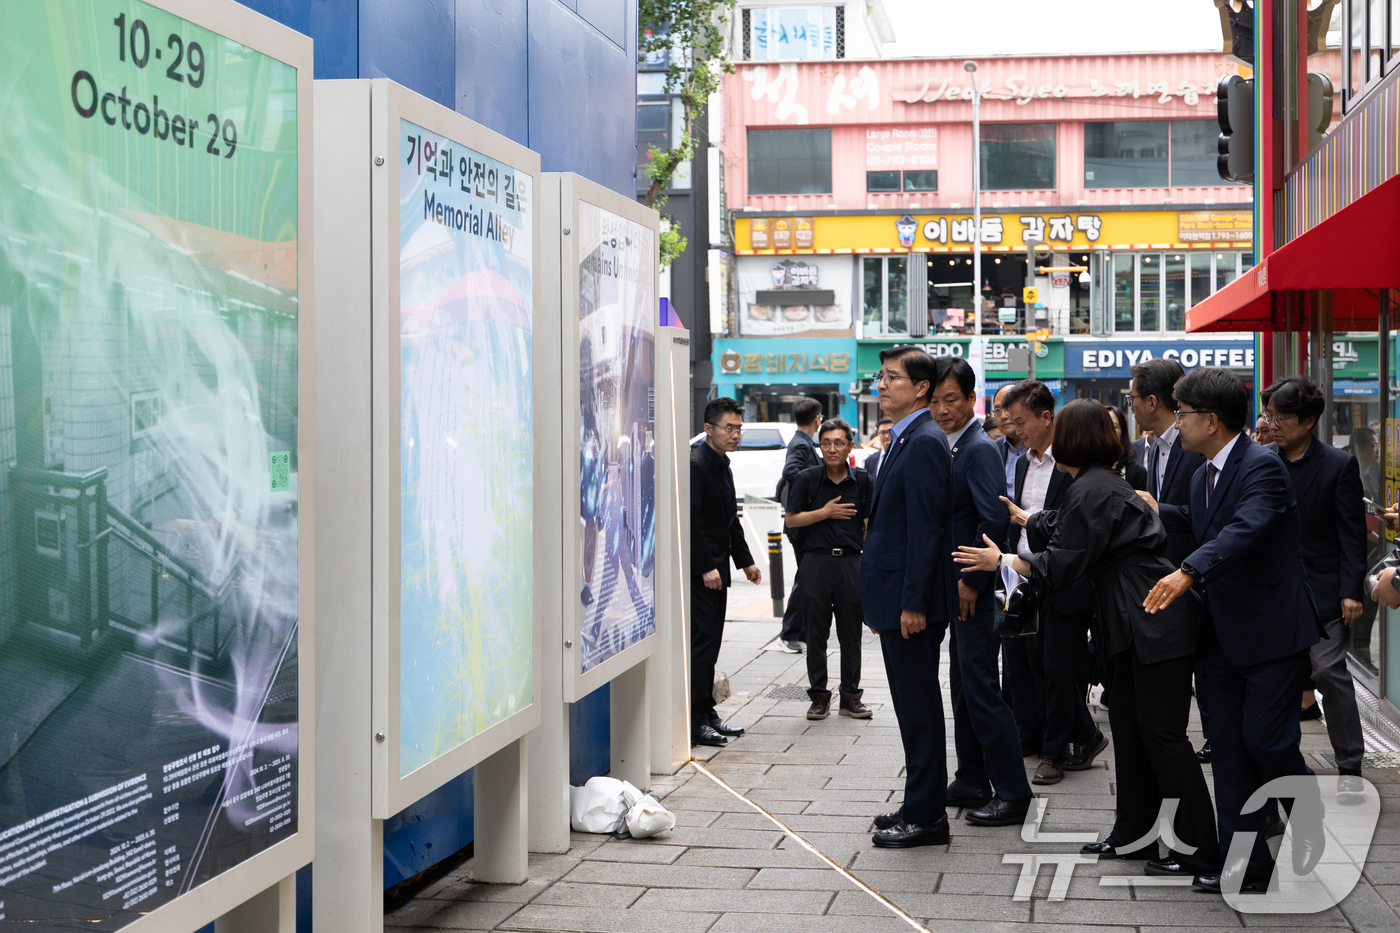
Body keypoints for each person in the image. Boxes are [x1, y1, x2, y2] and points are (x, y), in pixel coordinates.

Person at [955, 400, 1220, 878]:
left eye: (1060, 433)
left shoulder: (1093, 487)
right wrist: (1027, 520)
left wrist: (1004, 563)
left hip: (1151, 619)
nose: (1050, 439)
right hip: (1132, 618)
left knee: (1161, 735)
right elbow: (1062, 526)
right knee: (1130, 730)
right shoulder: (1093, 484)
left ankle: (1202, 850)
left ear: (1074, 440)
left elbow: (1063, 562)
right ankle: (1134, 834)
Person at [1143, 367, 1324, 894]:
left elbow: (1248, 526)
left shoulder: (1263, 465)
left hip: (1270, 631)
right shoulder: (1202, 474)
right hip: (1219, 632)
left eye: (1182, 414)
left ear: (1211, 419)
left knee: (1266, 741)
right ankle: (1245, 865)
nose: (1177, 424)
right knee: (1224, 747)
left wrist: (1188, 570)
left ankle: (1307, 818)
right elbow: (1212, 525)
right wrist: (1162, 511)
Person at [861, 346, 957, 848]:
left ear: (920, 388)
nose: (882, 384)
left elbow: (926, 530)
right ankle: (919, 800)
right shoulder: (902, 439)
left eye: (892, 377)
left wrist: (914, 602)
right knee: (909, 705)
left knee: (919, 706)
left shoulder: (922, 441)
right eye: (881, 376)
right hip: (894, 598)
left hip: (910, 605)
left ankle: (928, 817)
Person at [930, 358, 1032, 826]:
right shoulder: (952, 446)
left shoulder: (978, 448)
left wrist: (972, 582)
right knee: (963, 684)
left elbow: (992, 519)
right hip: (958, 585)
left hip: (978, 582)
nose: (942, 408)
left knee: (981, 685)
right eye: (934, 400)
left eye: (951, 399)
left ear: (972, 400)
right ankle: (972, 776)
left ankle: (1013, 791)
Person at [1260, 376, 1366, 787]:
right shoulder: (1262, 460)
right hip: (1273, 592)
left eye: (1282, 418)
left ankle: (1350, 764)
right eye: (1271, 416)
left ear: (1308, 422)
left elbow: (1351, 534)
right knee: (1278, 679)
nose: (1274, 425)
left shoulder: (1339, 465)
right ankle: (1280, 761)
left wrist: (1350, 591)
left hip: (1323, 590)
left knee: (1328, 671)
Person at [1002, 380, 1104, 785]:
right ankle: (1083, 735)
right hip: (1021, 575)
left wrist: (1030, 521)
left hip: (1062, 578)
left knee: (1060, 669)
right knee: (1030, 666)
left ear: (1048, 417)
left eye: (1021, 421)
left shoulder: (1073, 462)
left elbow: (1070, 527)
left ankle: (1054, 752)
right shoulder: (1022, 461)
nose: (1015, 429)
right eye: (1010, 421)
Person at [1129, 357, 1209, 760]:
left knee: (1206, 670)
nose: (1131, 406)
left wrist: (1159, 509)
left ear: (1153, 401)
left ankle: (1213, 734)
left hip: (1195, 575)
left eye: (1133, 399)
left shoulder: (1195, 447)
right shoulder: (1140, 451)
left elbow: (1206, 518)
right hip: (1156, 579)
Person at [784, 418, 872, 722]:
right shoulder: (808, 479)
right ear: (819, 447)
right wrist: (825, 513)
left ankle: (850, 697)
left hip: (851, 563)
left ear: (850, 445)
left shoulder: (862, 481)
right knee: (816, 633)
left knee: (851, 634)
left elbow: (870, 527)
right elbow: (791, 519)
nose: (832, 449)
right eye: (826, 443)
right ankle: (819, 697)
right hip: (815, 562)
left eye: (838, 443)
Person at [690, 397, 762, 747]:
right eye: (728, 428)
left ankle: (707, 710)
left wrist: (746, 561)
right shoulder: (697, 464)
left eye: (738, 429)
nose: (735, 435)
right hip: (702, 572)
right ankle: (694, 718)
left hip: (719, 568)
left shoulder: (722, 465)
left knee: (713, 641)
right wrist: (705, 566)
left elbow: (730, 520)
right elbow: (690, 522)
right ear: (708, 429)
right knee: (703, 644)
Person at [775, 398, 824, 653]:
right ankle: (789, 633)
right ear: (817, 418)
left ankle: (800, 631)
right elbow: (790, 471)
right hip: (800, 525)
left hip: (804, 524)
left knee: (807, 577)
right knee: (805, 578)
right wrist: (814, 487)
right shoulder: (800, 444)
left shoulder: (803, 442)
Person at [993, 384, 1025, 498]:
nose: (1003, 416)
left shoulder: (1040, 448)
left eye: (1007, 408)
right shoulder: (992, 449)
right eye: (997, 410)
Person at [1106, 406, 1149, 490]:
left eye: (1114, 426)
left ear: (1122, 431)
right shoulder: (1086, 468)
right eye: (1104, 426)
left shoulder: (1137, 471)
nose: (1108, 430)